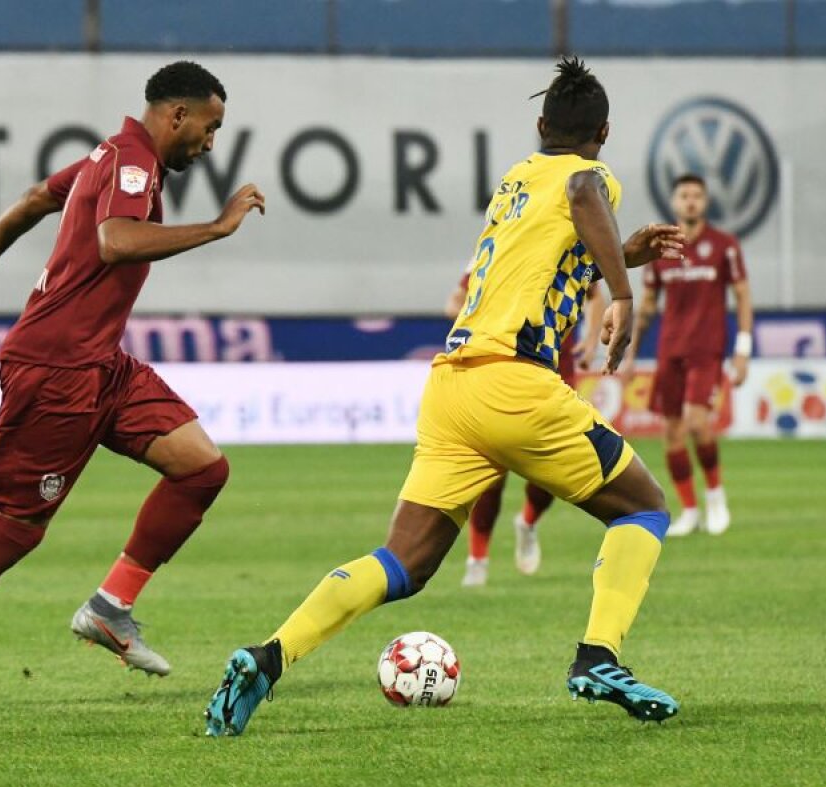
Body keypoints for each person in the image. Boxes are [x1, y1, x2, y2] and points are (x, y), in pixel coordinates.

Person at [204, 57, 685, 736]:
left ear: (540, 124)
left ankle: (268, 657)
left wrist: (621, 254)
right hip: (516, 384)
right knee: (644, 509)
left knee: (403, 562)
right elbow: (582, 191)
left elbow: (549, 246)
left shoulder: (515, 179)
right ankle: (598, 656)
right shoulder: (591, 175)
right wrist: (626, 294)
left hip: (452, 387)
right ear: (603, 131)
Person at [0, 61, 266, 712]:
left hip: (99, 363)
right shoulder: (130, 161)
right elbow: (114, 241)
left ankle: (111, 606)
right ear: (178, 115)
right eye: (210, 128)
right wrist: (215, 228)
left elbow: (40, 196)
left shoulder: (110, 153)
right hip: (55, 370)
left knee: (201, 468)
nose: (211, 144)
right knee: (17, 527)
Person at [444, 273, 604, 587]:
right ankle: (477, 559)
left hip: (553, 375)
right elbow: (454, 303)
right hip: (500, 374)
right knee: (492, 470)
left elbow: (595, 294)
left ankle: (528, 522)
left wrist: (591, 337)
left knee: (552, 472)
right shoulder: (496, 252)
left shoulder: (562, 249)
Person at [623, 174, 753, 536]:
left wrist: (742, 350)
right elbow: (648, 304)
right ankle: (690, 511)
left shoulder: (724, 245)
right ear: (675, 202)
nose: (691, 201)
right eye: (684, 195)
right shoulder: (662, 250)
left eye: (697, 195)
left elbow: (742, 295)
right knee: (672, 433)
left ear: (705, 202)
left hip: (707, 350)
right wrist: (631, 354)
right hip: (670, 350)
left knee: (698, 424)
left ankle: (715, 497)